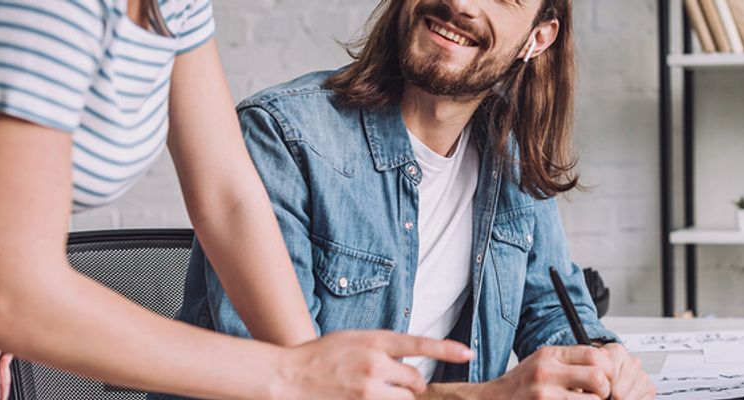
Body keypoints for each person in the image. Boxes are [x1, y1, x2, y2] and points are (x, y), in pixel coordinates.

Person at [0, 1, 471, 399]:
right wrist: (291, 375)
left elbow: (226, 193)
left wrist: (311, 363)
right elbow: (8, 294)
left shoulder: (172, 5)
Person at [176, 0, 656, 398]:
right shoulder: (286, 136)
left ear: (538, 38)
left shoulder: (509, 153)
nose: (461, 4)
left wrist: (599, 359)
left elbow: (551, 304)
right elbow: (292, 380)